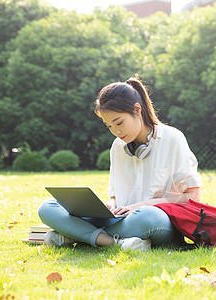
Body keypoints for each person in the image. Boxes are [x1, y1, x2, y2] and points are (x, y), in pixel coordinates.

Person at [38, 77, 202, 251]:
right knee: (47, 207)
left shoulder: (172, 139)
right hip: (120, 221)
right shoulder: (117, 146)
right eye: (109, 126)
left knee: (148, 217)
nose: (116, 131)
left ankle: (75, 234)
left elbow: (192, 198)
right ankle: (114, 242)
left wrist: (139, 206)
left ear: (137, 110)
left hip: (156, 220)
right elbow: (115, 195)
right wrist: (111, 206)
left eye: (119, 122)